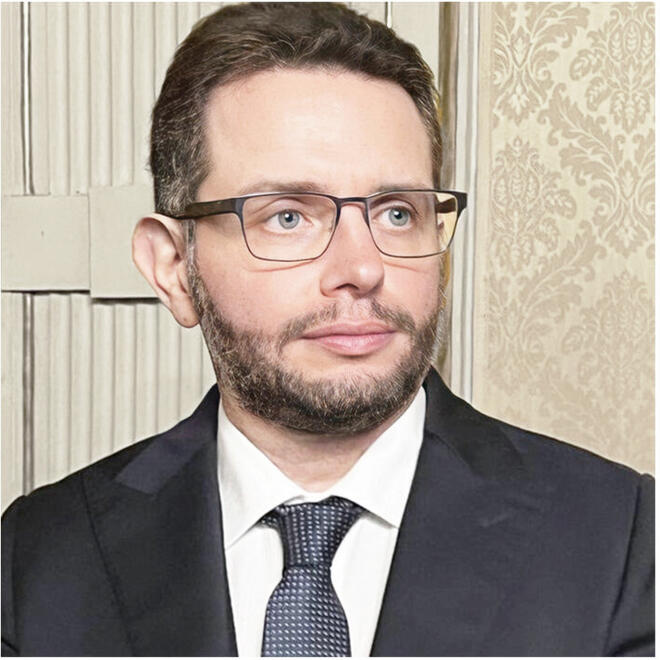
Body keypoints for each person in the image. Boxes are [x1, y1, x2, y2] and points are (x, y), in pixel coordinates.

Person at [1, 3, 653, 657]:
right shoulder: (37, 555)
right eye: (287, 217)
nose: (362, 269)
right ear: (174, 267)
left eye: (397, 213)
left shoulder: (623, 541)